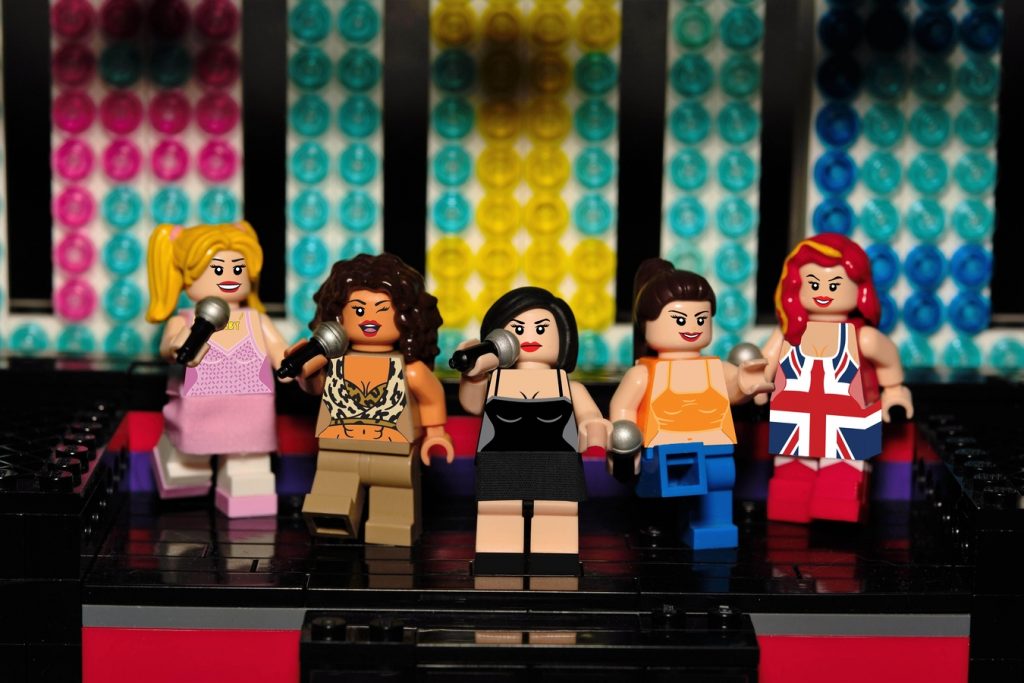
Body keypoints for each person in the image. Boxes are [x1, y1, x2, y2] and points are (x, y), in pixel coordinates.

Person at [610, 259, 772, 549]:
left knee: (718, 484)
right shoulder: (643, 372)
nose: (692, 327)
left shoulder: (716, 366)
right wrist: (625, 442)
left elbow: (734, 390)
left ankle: (714, 526)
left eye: (701, 319)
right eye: (680, 320)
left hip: (714, 443)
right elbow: (623, 407)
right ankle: (661, 525)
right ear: (647, 323)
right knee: (661, 493)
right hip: (664, 445)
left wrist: (746, 385)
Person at [295, 253, 454, 546]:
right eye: (358, 309)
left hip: (393, 451)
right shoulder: (333, 361)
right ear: (338, 315)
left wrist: (435, 433)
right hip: (338, 447)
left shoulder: (411, 370)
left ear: (407, 317)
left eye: (383, 309)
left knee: (392, 510)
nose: (369, 318)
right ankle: (333, 543)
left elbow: (431, 398)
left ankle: (390, 537)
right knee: (330, 504)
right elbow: (317, 389)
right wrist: (304, 372)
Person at [760, 233, 914, 523]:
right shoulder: (788, 334)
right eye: (813, 284)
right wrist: (755, 385)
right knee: (792, 477)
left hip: (847, 423)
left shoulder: (863, 337)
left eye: (834, 285)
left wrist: (894, 392)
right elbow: (765, 363)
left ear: (860, 289)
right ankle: (792, 512)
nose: (823, 292)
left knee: (841, 479)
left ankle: (836, 515)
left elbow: (889, 362)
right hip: (795, 419)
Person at [457, 287, 609, 577]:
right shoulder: (494, 381)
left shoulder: (568, 385)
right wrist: (473, 372)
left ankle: (556, 560)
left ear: (563, 336)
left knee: (557, 511)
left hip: (557, 460)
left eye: (541, 329)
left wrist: (593, 424)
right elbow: (472, 404)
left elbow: (589, 414)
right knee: (498, 511)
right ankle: (496, 559)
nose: (529, 336)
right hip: (500, 458)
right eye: (517, 329)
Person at [146, 221, 289, 517]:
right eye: (217, 269)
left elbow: (280, 352)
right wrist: (177, 345)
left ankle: (247, 502)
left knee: (249, 471)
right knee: (187, 468)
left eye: (237, 268)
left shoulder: (256, 320)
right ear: (187, 276)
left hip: (251, 409)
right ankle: (181, 484)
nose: (229, 277)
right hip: (198, 407)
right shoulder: (185, 319)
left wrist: (298, 365)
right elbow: (168, 347)